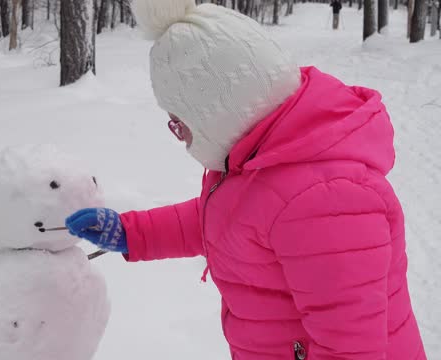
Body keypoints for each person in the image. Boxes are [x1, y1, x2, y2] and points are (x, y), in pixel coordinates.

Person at [65, 0, 427, 358]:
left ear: (220, 112)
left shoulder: (324, 199)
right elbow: (226, 219)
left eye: (180, 122)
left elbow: (351, 350)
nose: (182, 135)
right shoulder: (265, 160)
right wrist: (133, 233)